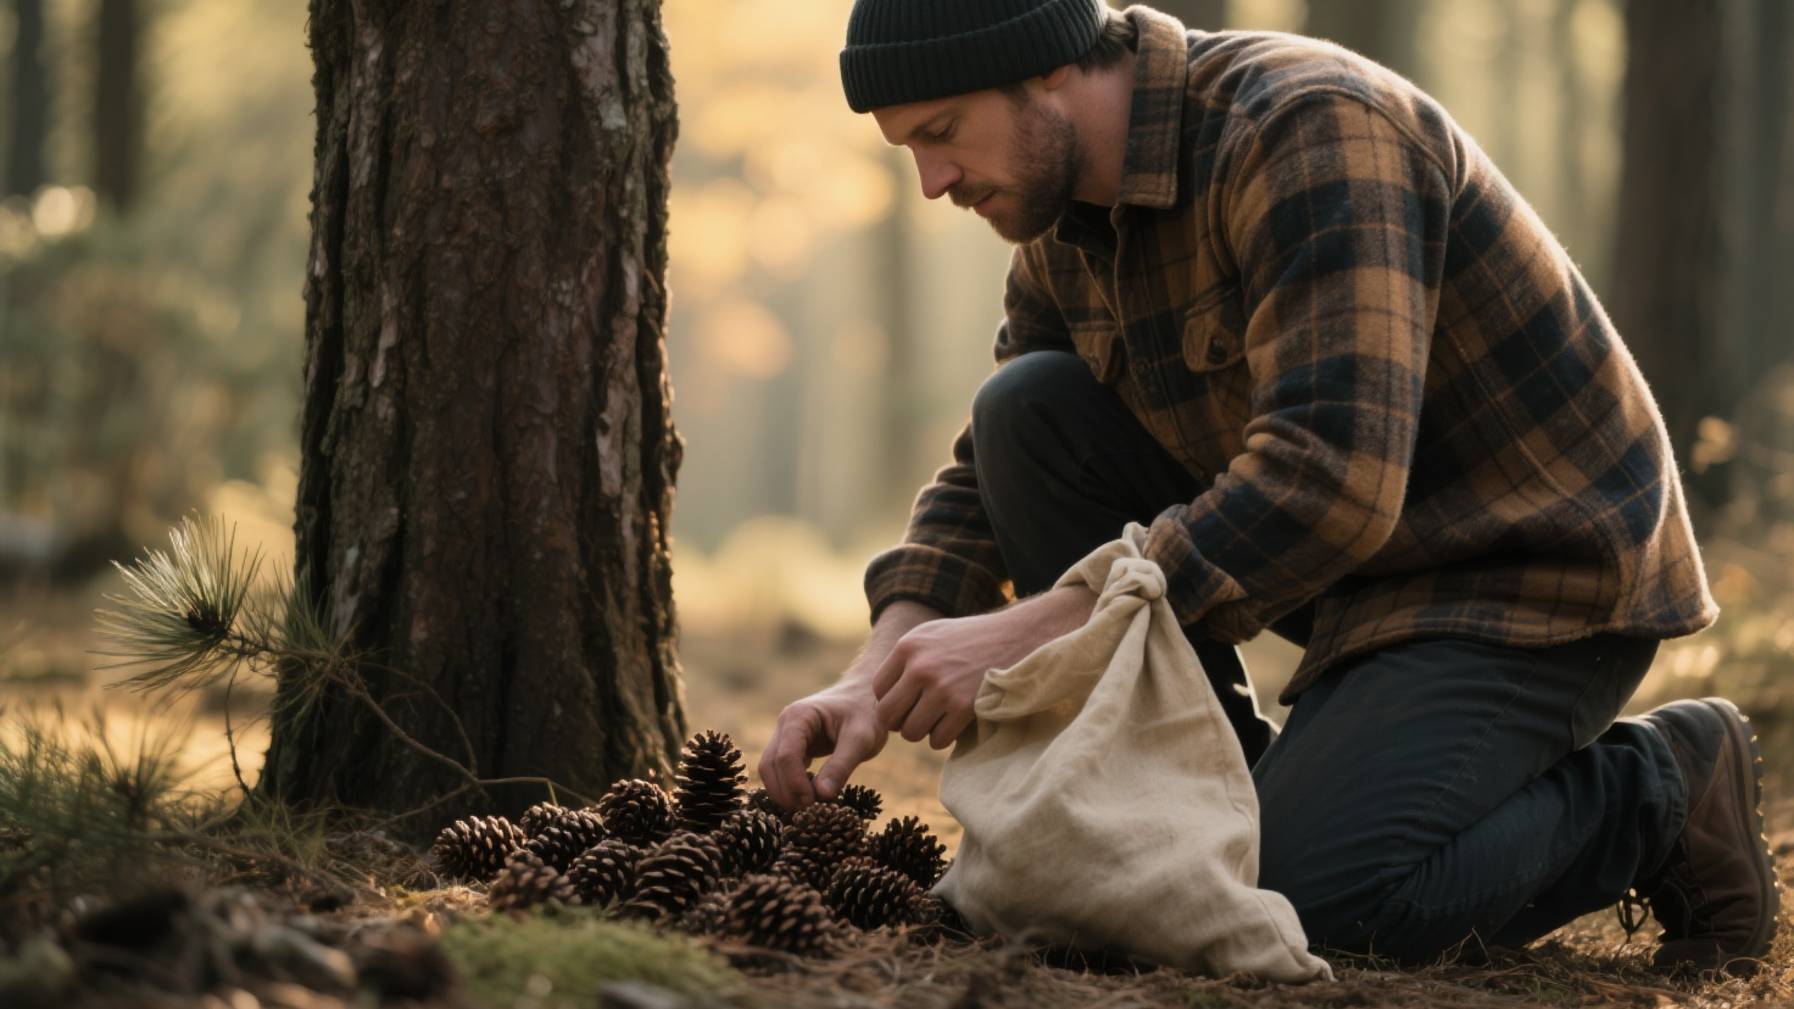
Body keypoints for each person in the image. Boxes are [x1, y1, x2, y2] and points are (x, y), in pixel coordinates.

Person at [756, 0, 1779, 972]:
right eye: (910, 152)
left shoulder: (1310, 131)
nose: (933, 180)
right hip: (1353, 583)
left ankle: (1662, 787)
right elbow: (988, 476)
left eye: (944, 131)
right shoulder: (1061, 216)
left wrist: (1029, 629)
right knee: (1027, 408)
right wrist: (870, 674)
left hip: (1526, 577)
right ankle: (1226, 803)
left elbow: (1329, 477)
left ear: (1049, 65)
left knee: (1301, 905)